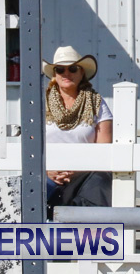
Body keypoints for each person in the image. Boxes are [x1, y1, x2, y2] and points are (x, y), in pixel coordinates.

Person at [43, 46, 113, 211]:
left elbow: (104, 149)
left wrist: (77, 169)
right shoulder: (40, 102)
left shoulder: (96, 103)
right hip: (47, 173)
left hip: (85, 175)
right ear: (55, 74)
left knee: (99, 182)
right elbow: (31, 145)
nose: (66, 73)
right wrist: (47, 170)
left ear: (82, 73)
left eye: (72, 69)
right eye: (60, 69)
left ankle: (90, 226)